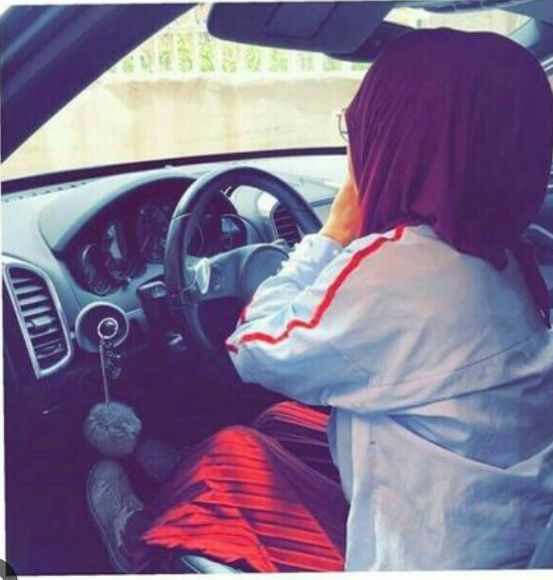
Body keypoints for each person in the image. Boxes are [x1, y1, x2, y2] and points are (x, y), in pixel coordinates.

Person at [88, 28, 553, 572]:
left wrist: (333, 233)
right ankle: (176, 475)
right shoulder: (512, 258)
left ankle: (137, 545)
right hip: (497, 526)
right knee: (280, 422)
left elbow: (252, 348)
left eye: (360, 129)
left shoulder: (399, 270)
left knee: (229, 464)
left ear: (402, 142)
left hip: (421, 555)